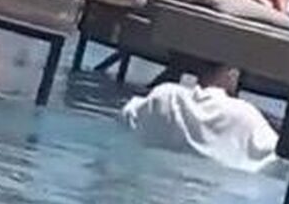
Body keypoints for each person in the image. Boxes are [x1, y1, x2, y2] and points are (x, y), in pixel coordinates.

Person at [120, 64, 280, 173]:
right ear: (232, 74)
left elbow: (128, 113)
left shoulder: (166, 95)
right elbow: (277, 156)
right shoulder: (246, 115)